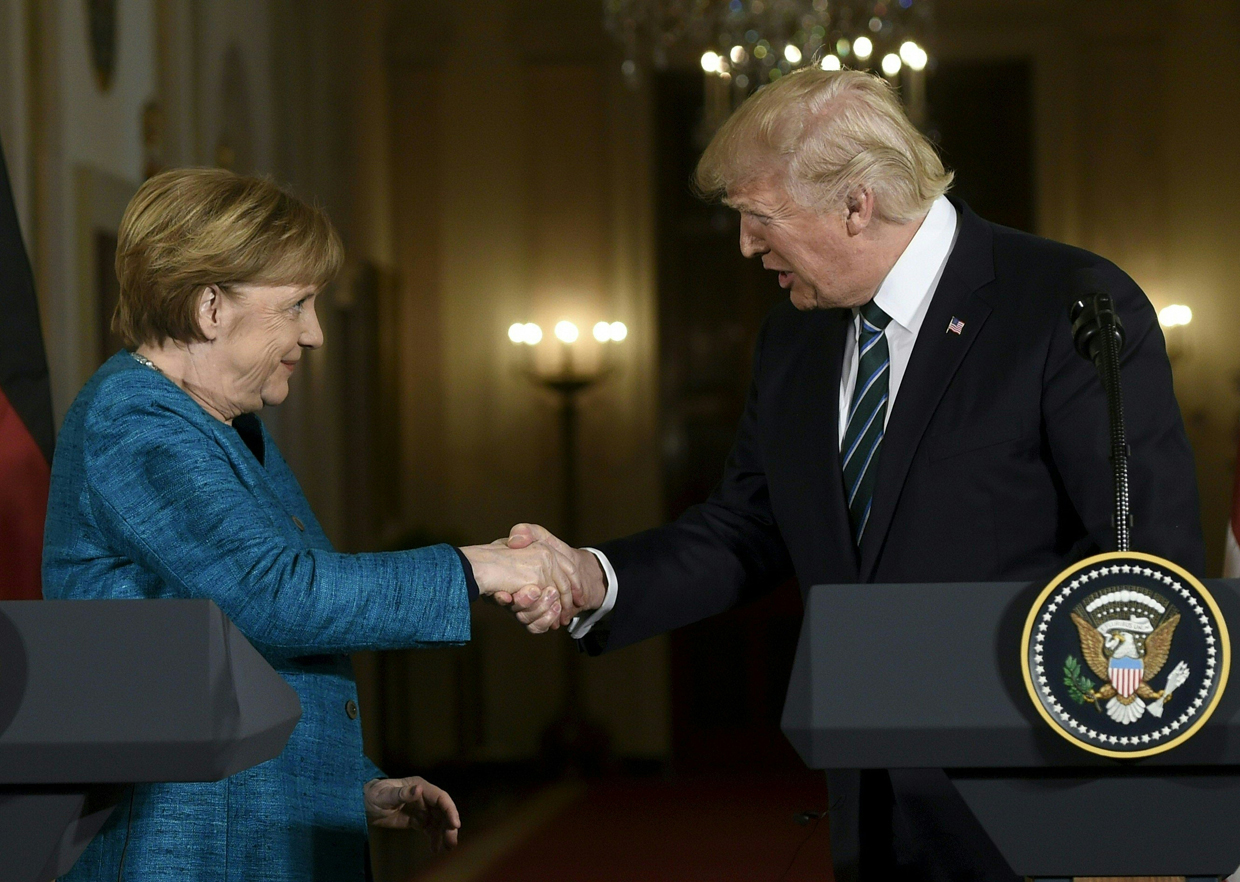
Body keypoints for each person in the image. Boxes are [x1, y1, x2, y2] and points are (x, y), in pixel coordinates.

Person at [503, 69, 1205, 880]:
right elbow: (746, 526)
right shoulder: (793, 340)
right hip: (871, 809)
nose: (744, 246)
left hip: (1039, 804)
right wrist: (596, 578)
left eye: (760, 217)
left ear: (856, 204)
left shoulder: (1069, 302)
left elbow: (1144, 566)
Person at [42, 168, 574, 882]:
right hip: (190, 849)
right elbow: (278, 596)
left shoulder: (224, 424)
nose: (316, 333)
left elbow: (234, 649)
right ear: (209, 307)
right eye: (296, 305)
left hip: (248, 829)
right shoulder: (135, 421)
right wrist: (479, 567)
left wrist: (347, 785)